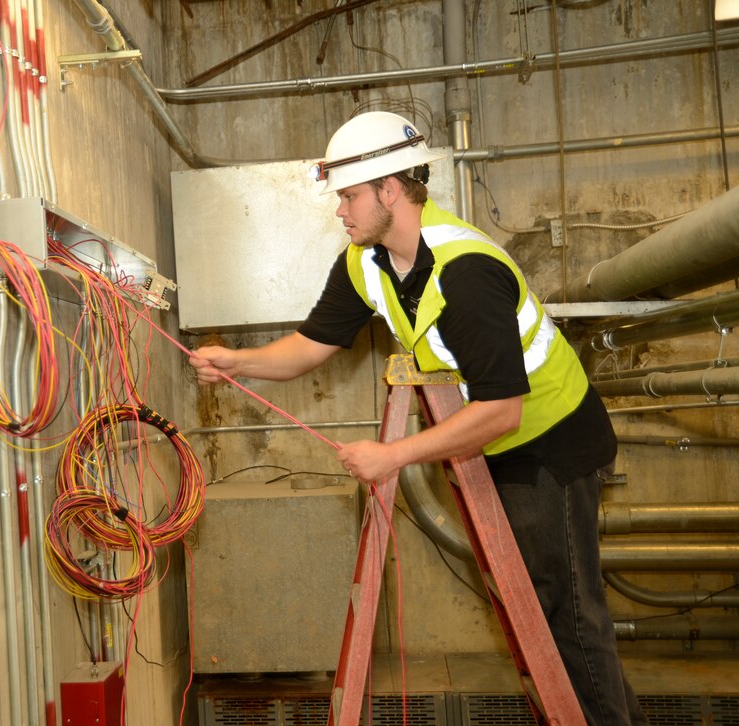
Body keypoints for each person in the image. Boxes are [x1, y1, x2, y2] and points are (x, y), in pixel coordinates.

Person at [188, 111, 646, 725]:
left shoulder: (467, 273)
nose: (340, 211)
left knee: (566, 612)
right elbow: (313, 344)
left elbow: (502, 410)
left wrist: (395, 455)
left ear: (390, 190)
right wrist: (236, 363)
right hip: (495, 437)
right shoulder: (366, 260)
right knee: (540, 607)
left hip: (553, 442)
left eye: (349, 195)